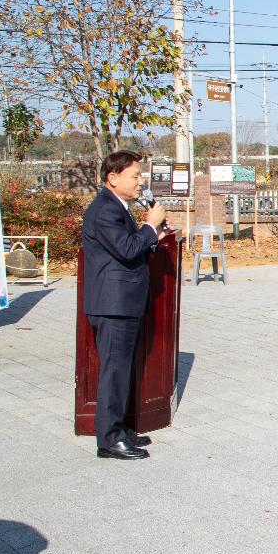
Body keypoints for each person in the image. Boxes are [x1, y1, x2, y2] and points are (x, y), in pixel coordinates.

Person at [81, 150, 168, 461]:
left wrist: (154, 234)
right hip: (113, 304)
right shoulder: (105, 210)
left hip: (123, 303)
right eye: (135, 176)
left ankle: (117, 428)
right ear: (112, 178)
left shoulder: (118, 208)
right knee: (114, 371)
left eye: (140, 175)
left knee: (121, 369)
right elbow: (127, 249)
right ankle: (109, 439)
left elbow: (132, 245)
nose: (140, 181)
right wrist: (148, 226)